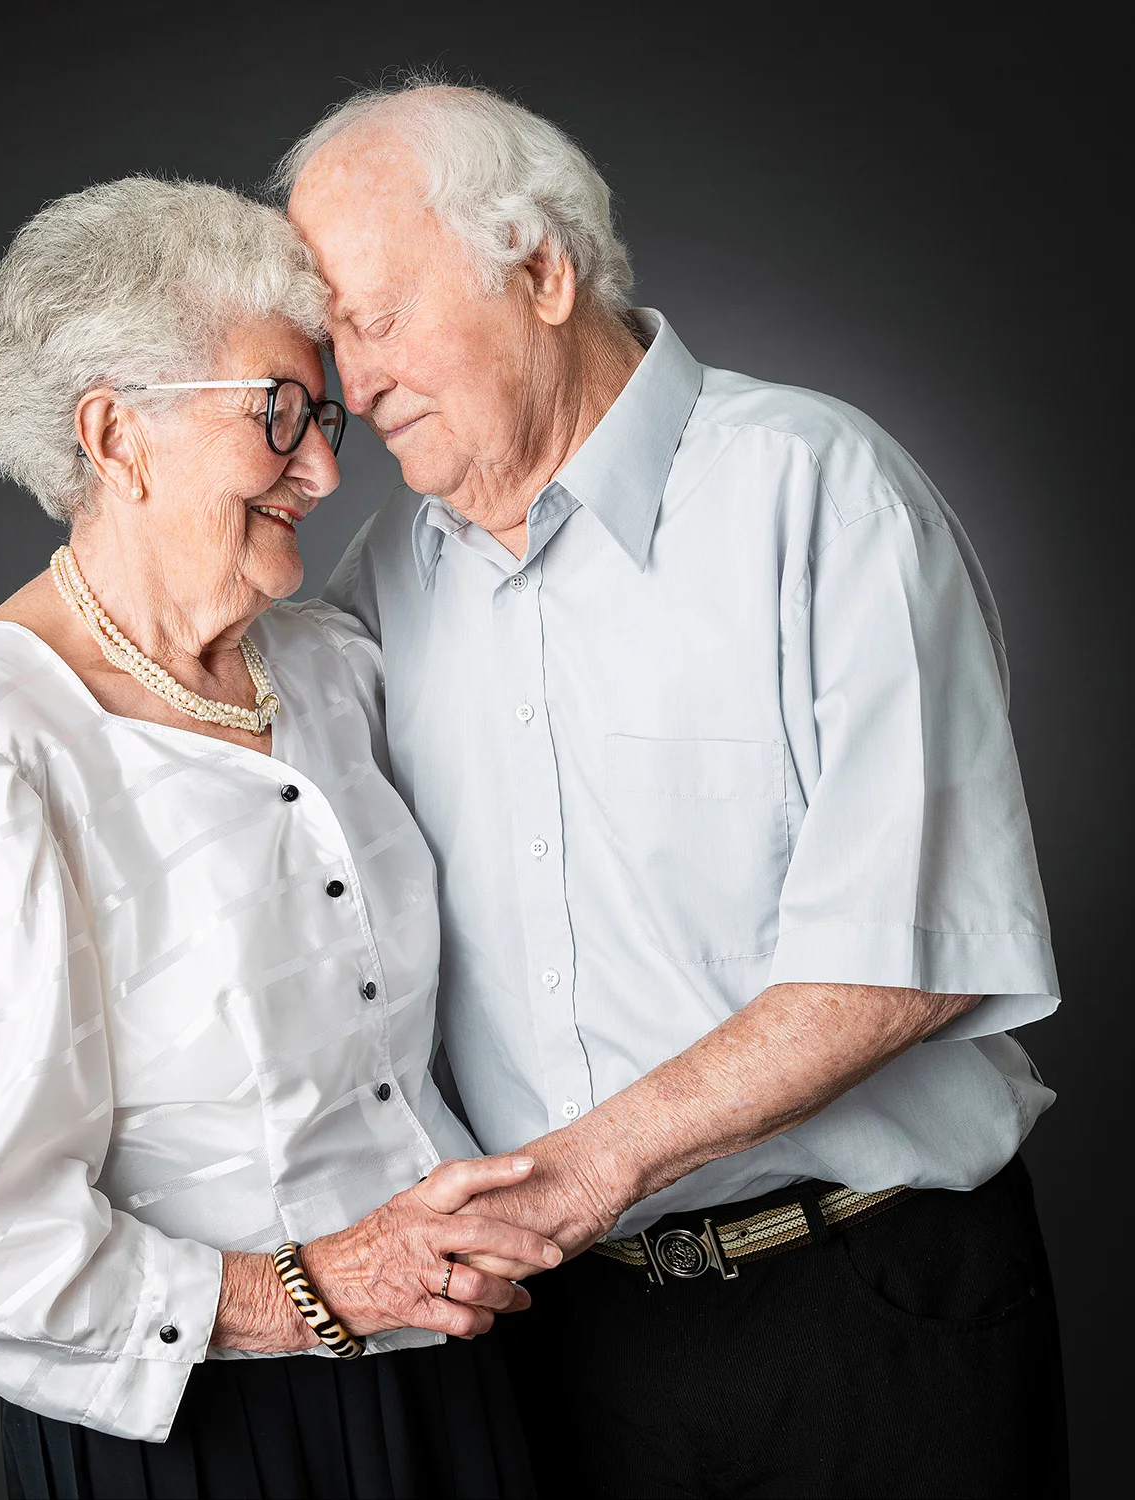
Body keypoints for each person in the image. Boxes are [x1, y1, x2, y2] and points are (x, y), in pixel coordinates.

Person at [280, 80, 1069, 1497]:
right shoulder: (386, 584)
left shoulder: (821, 493)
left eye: (376, 314)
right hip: (567, 1347)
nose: (349, 377)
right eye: (329, 333)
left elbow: (908, 956)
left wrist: (584, 1171)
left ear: (541, 268)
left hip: (864, 1302)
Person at [0, 175, 553, 1500]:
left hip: (451, 1377)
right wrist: (312, 1292)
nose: (330, 469)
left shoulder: (329, 666)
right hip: (216, 1429)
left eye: (327, 416)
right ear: (117, 436)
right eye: (279, 413)